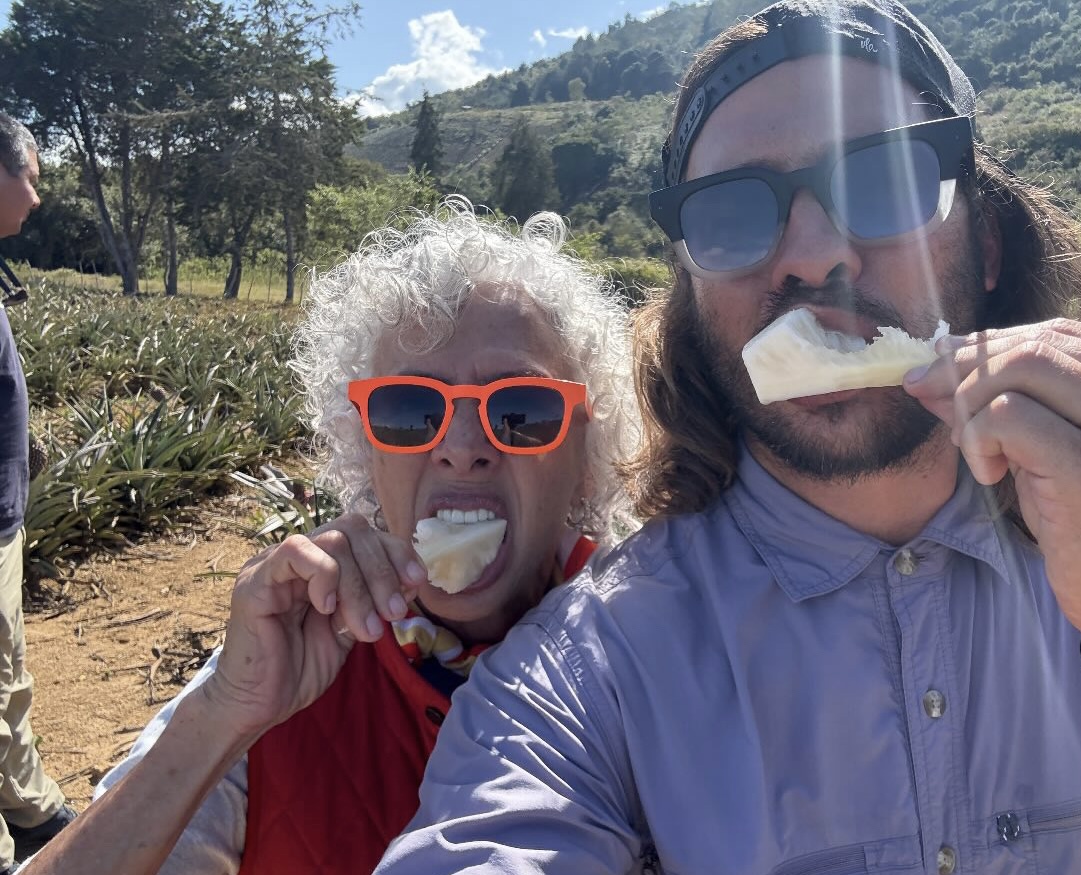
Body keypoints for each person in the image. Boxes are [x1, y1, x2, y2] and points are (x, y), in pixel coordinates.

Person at [372, 2, 1081, 873]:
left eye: (883, 181)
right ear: (693, 299)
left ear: (985, 247)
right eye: (731, 214)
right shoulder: (588, 668)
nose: (812, 254)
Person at [17, 198, 640, 874]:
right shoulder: (295, 656)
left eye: (521, 409)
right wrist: (226, 712)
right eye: (410, 410)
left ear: (587, 457)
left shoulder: (655, 662)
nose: (462, 448)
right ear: (365, 453)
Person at [0, 112, 75, 875]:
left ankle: (27, 805)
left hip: (3, 519)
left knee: (9, 671)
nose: (38, 194)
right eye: (32, 176)